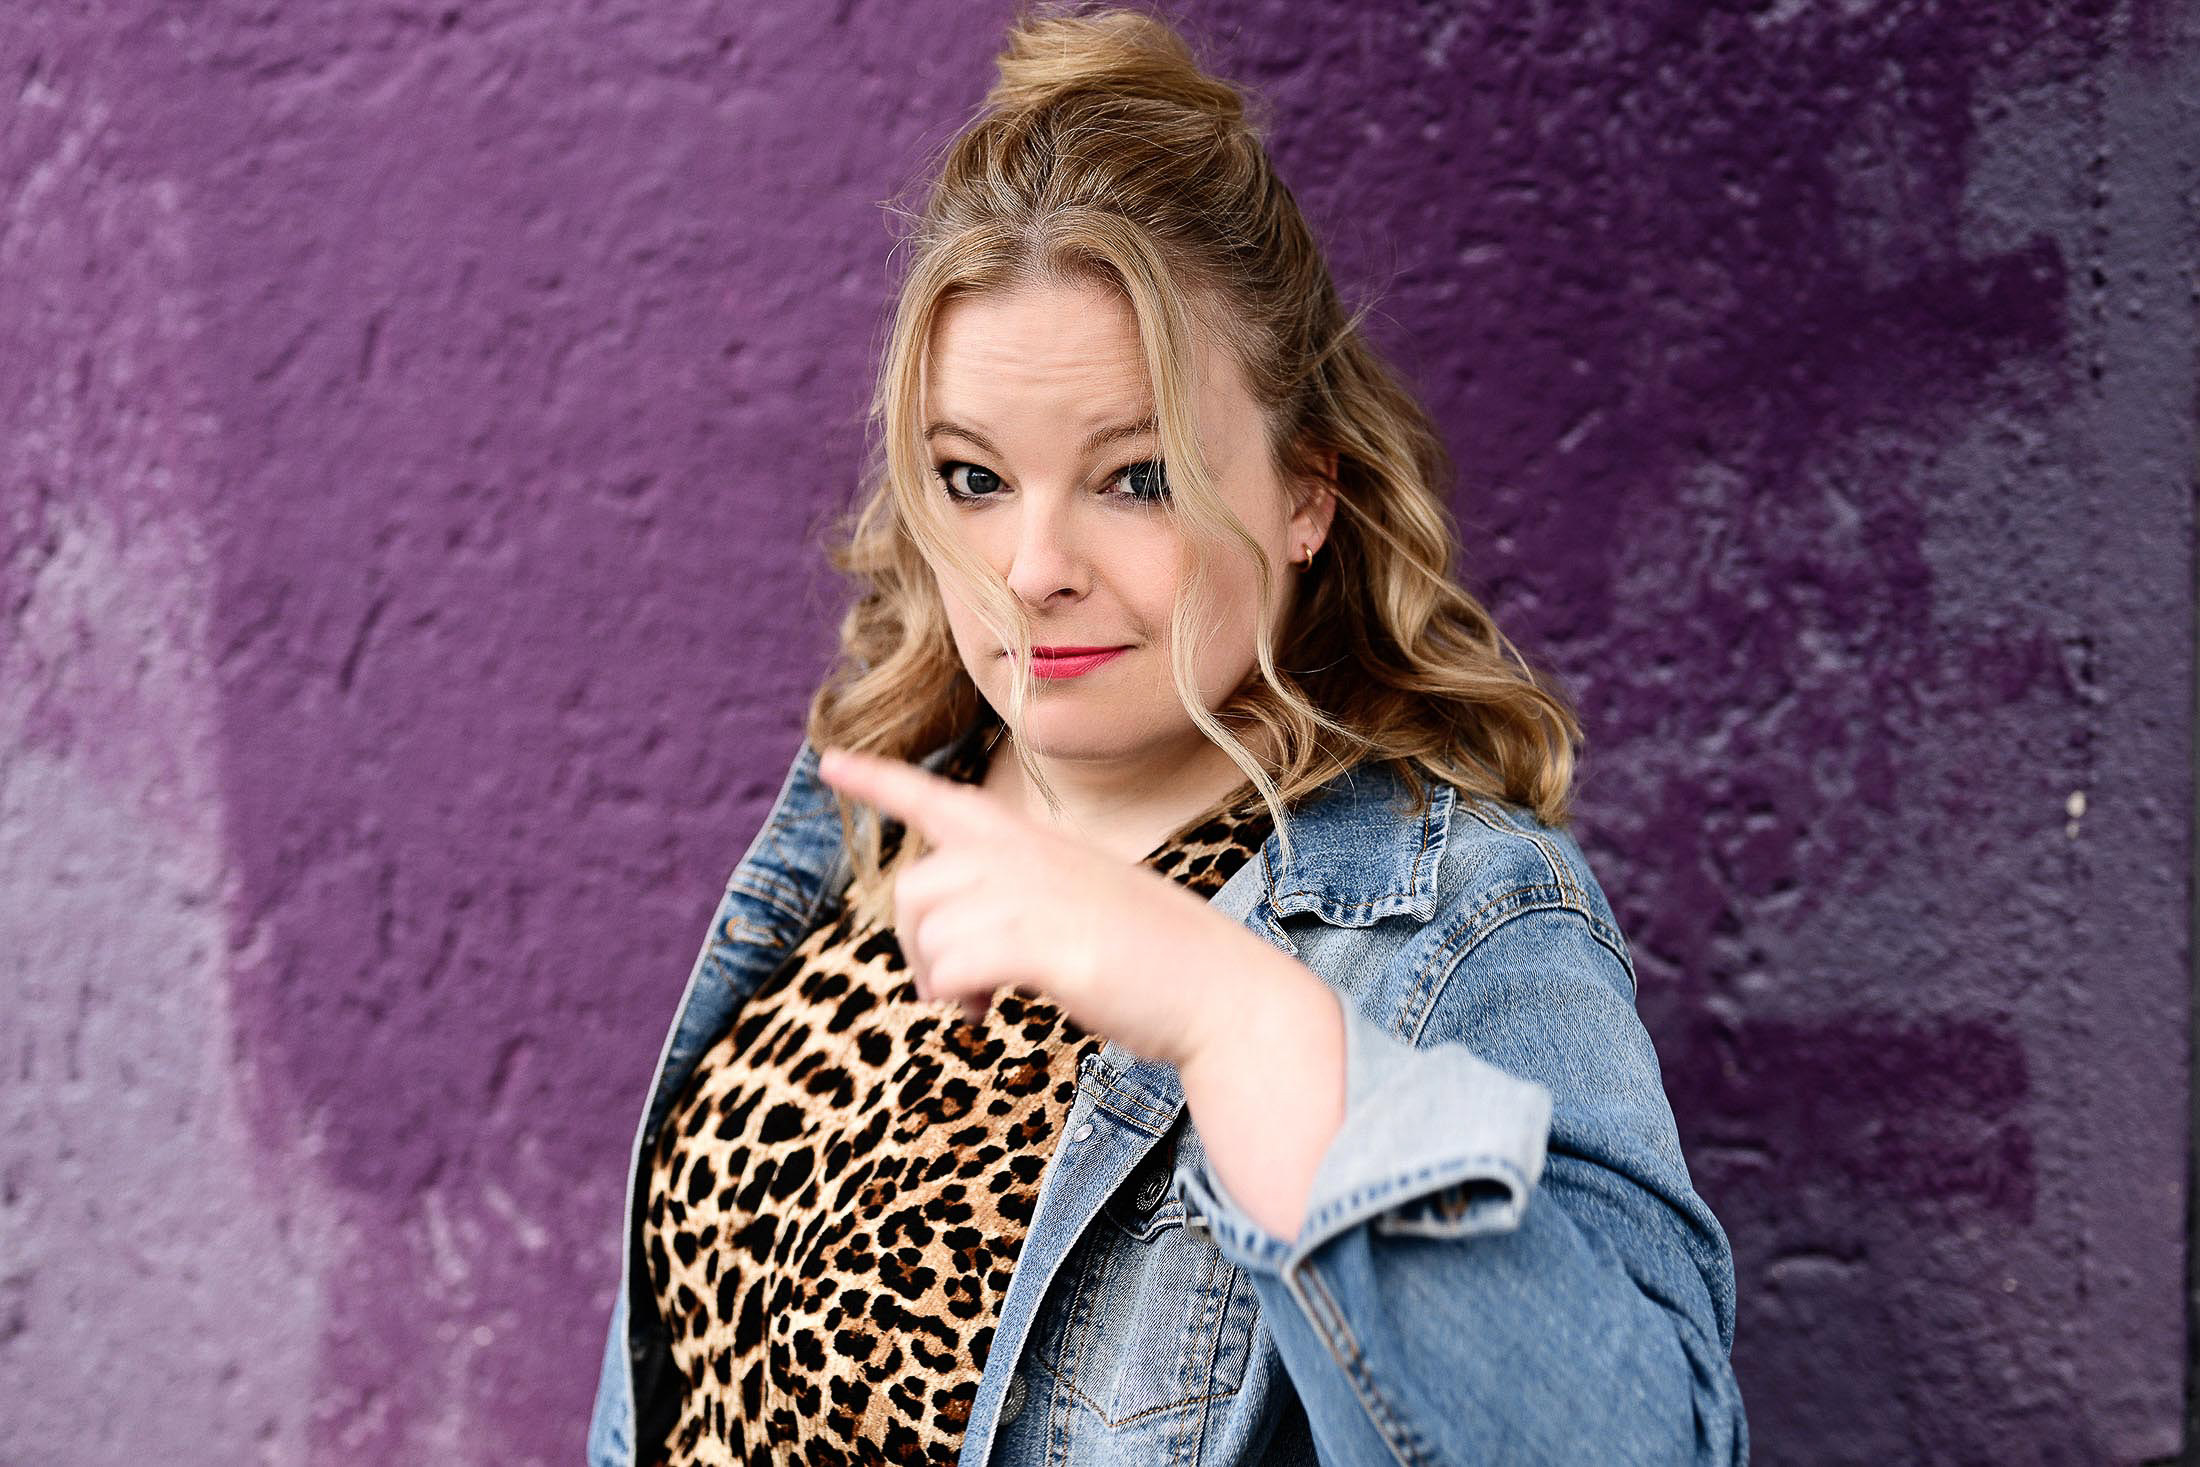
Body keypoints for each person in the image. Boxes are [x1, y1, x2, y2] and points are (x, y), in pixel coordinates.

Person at [587, 5, 1748, 1464]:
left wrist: (1233, 1018)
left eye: (1136, 478)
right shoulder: (875, 827)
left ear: (1307, 493)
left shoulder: (1452, 929)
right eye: (974, 478)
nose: (1033, 569)